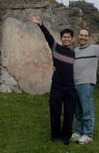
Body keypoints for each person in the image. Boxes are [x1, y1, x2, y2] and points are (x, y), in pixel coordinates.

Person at [29, 15, 76, 145]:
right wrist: (41, 24)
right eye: (64, 37)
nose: (66, 39)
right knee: (55, 112)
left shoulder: (74, 53)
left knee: (69, 113)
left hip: (70, 87)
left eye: (68, 37)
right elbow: (48, 36)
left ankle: (66, 136)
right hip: (57, 86)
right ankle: (55, 136)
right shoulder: (55, 47)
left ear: (72, 39)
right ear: (61, 39)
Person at [70, 22, 99, 144]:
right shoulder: (75, 51)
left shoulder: (94, 49)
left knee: (87, 110)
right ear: (78, 37)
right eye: (81, 35)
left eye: (85, 35)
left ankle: (88, 134)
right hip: (74, 84)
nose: (83, 37)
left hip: (86, 84)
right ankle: (79, 131)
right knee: (78, 110)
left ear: (88, 37)